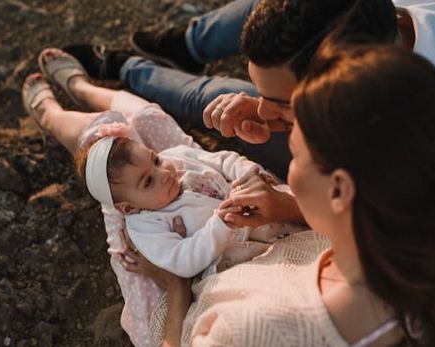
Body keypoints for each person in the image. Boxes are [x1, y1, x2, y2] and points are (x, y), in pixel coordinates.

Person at [120, 44, 435, 346]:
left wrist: (175, 286)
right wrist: (287, 208)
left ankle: (98, 80)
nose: (287, 168)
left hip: (186, 306)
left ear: (339, 191)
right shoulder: (408, 248)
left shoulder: (243, 332)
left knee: (116, 149)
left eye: (295, 154)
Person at [21, 48, 301, 347]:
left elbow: (222, 159)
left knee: (145, 118)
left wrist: (247, 172)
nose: (165, 172)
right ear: (128, 207)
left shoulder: (174, 162)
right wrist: (219, 225)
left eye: (155, 160)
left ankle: (65, 104)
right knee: (128, 135)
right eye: (149, 180)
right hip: (232, 247)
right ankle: (70, 98)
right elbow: (181, 262)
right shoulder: (145, 226)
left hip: (261, 224)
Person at [64, 0, 435, 178]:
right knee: (284, 16)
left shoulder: (425, 131)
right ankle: (185, 45)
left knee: (217, 99)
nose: (263, 112)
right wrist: (282, 108)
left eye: (281, 103)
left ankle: (130, 70)